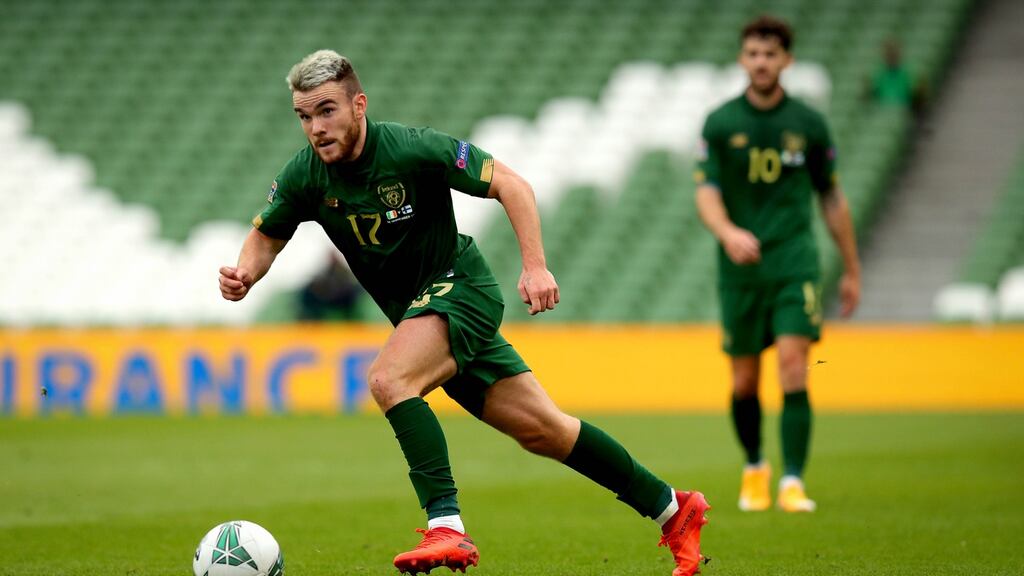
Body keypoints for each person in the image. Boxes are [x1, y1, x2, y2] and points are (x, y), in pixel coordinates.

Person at [219, 50, 710, 575]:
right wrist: (247, 272)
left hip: (461, 287)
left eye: (326, 111)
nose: (315, 128)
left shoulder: (413, 149)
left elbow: (511, 185)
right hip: (424, 313)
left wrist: (535, 267)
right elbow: (267, 234)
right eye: (304, 116)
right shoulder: (305, 175)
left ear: (359, 105)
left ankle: (445, 527)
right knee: (546, 431)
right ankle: (674, 510)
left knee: (390, 378)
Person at [694, 17, 861, 513]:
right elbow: (706, 191)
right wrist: (727, 232)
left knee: (794, 367)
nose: (761, 62)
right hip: (741, 270)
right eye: (752, 53)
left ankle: (792, 481)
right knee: (744, 381)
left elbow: (831, 196)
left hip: (794, 262)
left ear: (787, 59)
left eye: (770, 54)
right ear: (743, 59)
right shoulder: (721, 123)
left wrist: (851, 267)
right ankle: (754, 467)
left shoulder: (808, 124)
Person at [297, 250, 361, 321]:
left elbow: (349, 283)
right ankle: (312, 318)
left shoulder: (343, 270)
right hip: (328, 296)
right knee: (310, 291)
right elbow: (322, 282)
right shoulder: (327, 270)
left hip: (343, 297)